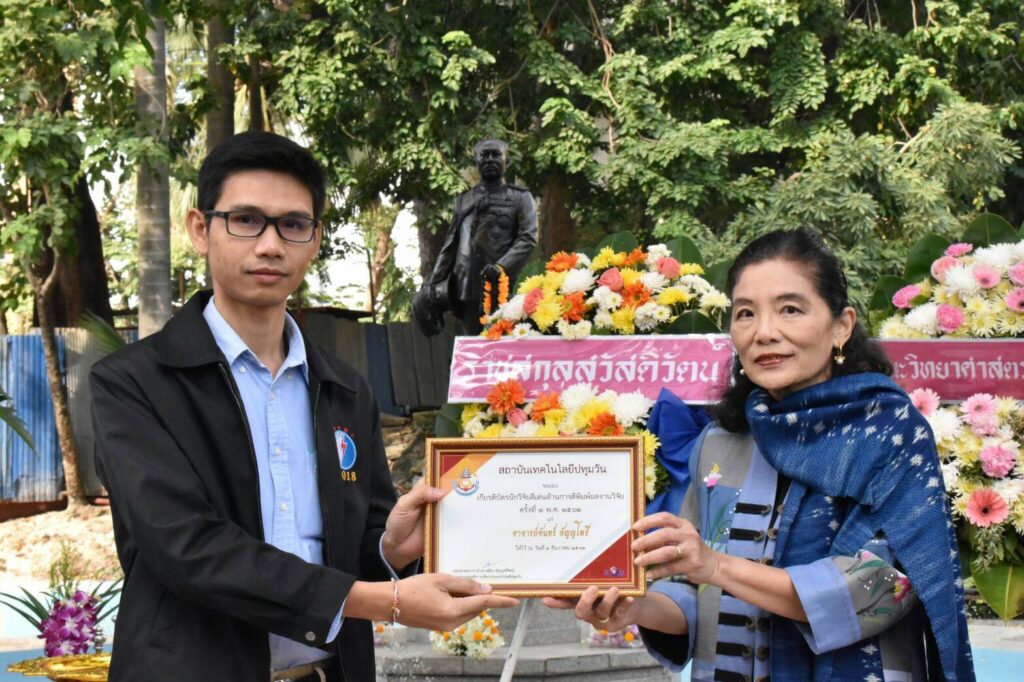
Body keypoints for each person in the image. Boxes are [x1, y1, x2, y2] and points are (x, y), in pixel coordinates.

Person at [90, 132, 517, 682]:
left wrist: (389, 546)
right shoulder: (135, 383)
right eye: (246, 220)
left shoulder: (344, 388)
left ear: (314, 240)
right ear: (200, 229)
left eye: (293, 224)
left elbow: (355, 540)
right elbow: (187, 547)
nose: (270, 245)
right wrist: (379, 601)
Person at [545, 229, 974, 681]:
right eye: (746, 313)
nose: (764, 332)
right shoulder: (718, 443)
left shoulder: (890, 435)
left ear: (841, 326)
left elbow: (881, 589)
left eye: (791, 309)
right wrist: (634, 608)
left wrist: (716, 565)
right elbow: (691, 590)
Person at [414, 138, 537, 336]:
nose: (490, 159)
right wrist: (433, 283)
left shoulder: (520, 198)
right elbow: (451, 245)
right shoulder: (463, 200)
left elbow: (528, 237)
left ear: (507, 161)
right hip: (467, 287)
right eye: (484, 155)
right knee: (474, 344)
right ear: (475, 161)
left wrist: (502, 266)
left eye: (496, 155)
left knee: (506, 343)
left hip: (505, 286)